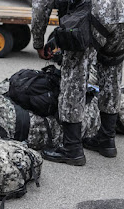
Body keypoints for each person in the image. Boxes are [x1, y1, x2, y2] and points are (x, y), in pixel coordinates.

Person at [31, 0, 124, 166]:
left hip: (92, 14)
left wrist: (38, 42)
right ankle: (106, 139)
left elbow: (40, 7)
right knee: (112, 73)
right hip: (121, 15)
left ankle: (72, 148)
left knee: (74, 78)